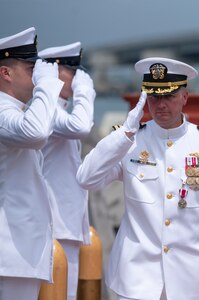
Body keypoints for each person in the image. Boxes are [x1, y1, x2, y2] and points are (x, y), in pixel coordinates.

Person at [77, 57, 199, 300]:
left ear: (184, 97)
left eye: (168, 96)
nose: (160, 105)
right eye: (153, 97)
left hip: (190, 280)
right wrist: (125, 133)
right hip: (135, 278)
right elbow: (86, 178)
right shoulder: (129, 141)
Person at [0, 27, 63, 300]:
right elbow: (36, 133)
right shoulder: (2, 110)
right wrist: (48, 86)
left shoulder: (14, 111)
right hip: (9, 253)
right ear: (6, 73)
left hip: (16, 253)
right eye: (31, 70)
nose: (37, 77)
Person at [38, 42, 95, 300]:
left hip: (65, 221)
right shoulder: (49, 111)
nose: (77, 77)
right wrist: (85, 91)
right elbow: (82, 126)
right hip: (55, 222)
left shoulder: (56, 110)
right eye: (72, 70)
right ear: (56, 71)